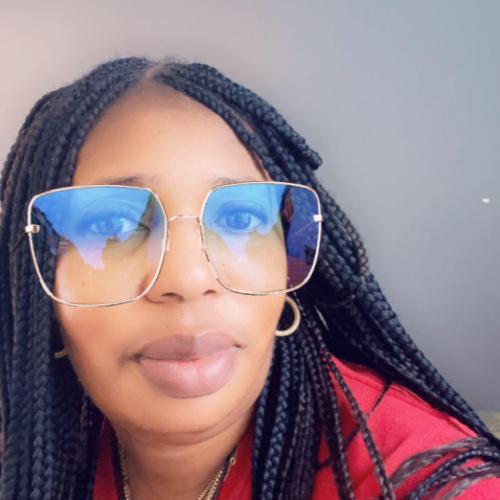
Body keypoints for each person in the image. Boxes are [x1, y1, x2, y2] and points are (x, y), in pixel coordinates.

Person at [0, 56, 499, 500]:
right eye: (111, 225)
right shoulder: (30, 437)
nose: (189, 278)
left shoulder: (423, 477)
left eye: (239, 219)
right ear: (38, 272)